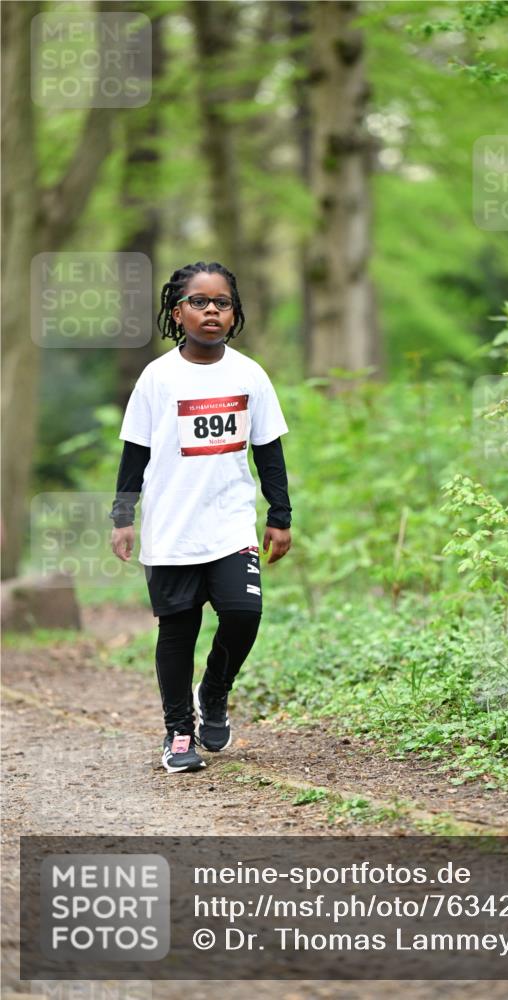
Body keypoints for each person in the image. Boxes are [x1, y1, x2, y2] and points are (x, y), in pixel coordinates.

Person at [109, 261, 292, 774]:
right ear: (177, 312)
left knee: (244, 614)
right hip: (171, 528)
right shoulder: (157, 377)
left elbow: (269, 450)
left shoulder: (250, 375)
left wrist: (280, 515)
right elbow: (135, 452)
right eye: (199, 301)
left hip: (230, 523)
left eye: (222, 303)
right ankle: (179, 732)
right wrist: (122, 515)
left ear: (234, 314)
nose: (211, 310)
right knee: (178, 631)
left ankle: (213, 691)